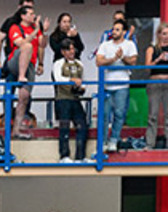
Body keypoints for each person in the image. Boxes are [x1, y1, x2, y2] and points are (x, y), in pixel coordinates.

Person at [5, 6, 47, 140]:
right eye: (30, 14)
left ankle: (16, 130)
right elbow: (21, 43)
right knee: (27, 46)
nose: (33, 16)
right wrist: (36, 31)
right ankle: (21, 75)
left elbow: (43, 45)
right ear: (23, 16)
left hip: (30, 64)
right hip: (15, 62)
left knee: (24, 97)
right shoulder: (15, 28)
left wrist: (43, 31)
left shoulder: (36, 30)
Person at [97, 19, 138, 154]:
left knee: (119, 114)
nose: (114, 32)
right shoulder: (105, 45)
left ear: (124, 32)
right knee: (104, 115)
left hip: (122, 85)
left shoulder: (130, 44)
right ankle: (102, 142)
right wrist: (114, 59)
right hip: (107, 84)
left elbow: (133, 62)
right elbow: (99, 61)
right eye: (113, 29)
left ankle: (113, 140)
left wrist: (123, 57)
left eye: (117, 29)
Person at [53, 41, 88, 163]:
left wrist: (81, 87)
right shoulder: (58, 63)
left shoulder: (80, 64)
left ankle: (80, 156)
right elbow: (58, 78)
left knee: (82, 125)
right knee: (64, 127)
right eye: (68, 49)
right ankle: (64, 156)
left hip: (75, 99)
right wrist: (71, 80)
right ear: (63, 52)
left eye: (73, 49)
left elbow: (84, 81)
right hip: (63, 99)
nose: (71, 52)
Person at [146, 24, 168, 150]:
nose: (166, 37)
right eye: (164, 33)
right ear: (159, 35)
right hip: (155, 82)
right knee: (152, 115)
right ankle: (150, 144)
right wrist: (158, 59)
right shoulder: (152, 49)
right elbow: (147, 67)